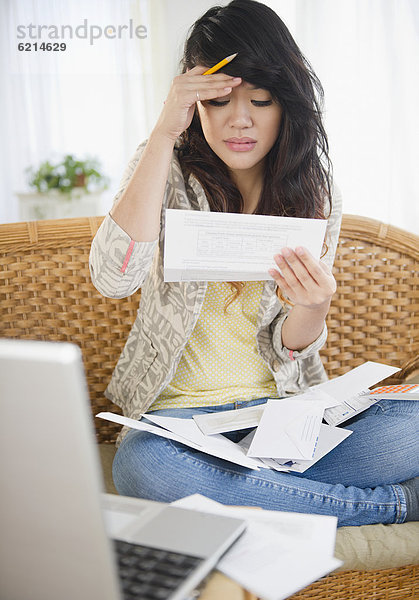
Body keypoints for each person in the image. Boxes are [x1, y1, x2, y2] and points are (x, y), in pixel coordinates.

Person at [90, 0, 418, 527]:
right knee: (143, 469)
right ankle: (394, 504)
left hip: (283, 416)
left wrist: (316, 305)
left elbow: (291, 346)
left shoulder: (316, 191)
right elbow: (113, 278)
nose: (239, 121)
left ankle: (250, 489)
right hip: (180, 424)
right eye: (219, 102)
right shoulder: (162, 170)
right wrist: (161, 135)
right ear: (193, 103)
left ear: (286, 103)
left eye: (261, 100)